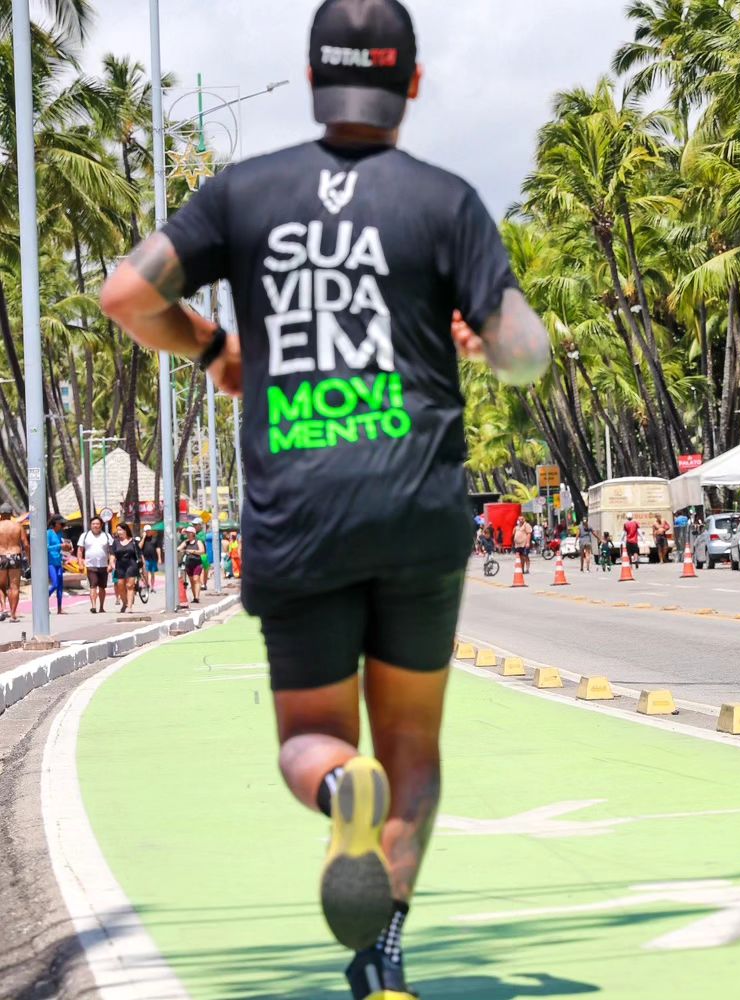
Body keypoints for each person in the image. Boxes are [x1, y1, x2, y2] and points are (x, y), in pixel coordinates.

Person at [98, 2, 550, 996]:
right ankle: (380, 957)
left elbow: (125, 295)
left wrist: (217, 347)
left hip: (298, 516)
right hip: (420, 509)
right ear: (412, 86)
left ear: (312, 82)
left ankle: (340, 791)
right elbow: (524, 353)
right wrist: (488, 335)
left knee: (315, 736)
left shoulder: (243, 195)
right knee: (416, 754)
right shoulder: (445, 202)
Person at [78, 516, 113, 614]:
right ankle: (93, 606)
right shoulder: (85, 536)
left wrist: (111, 563)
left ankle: (101, 607)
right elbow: (80, 550)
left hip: (103, 565)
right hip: (90, 565)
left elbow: (111, 551)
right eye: (93, 524)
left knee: (102, 587)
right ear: (90, 525)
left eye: (97, 524)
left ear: (101, 525)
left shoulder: (106, 536)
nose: (95, 526)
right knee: (93, 585)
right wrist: (80, 562)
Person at [0, 503, 28, 623]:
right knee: (14, 586)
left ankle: (3, 608)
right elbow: (25, 544)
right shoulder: (17, 526)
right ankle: (13, 615)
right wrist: (30, 558)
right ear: (11, 514)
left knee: (0, 585)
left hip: (1, 556)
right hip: (15, 556)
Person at [112, 523, 143, 613]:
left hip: (131, 564)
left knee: (130, 586)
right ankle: (125, 602)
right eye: (118, 530)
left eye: (121, 530)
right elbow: (112, 555)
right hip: (120, 565)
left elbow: (139, 554)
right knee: (120, 585)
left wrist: (142, 567)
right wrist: (112, 564)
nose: (119, 532)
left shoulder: (133, 541)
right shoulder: (116, 542)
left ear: (126, 530)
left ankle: (129, 606)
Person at [47, 515, 71, 615]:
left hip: (59, 562)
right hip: (50, 562)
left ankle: (59, 608)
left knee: (60, 586)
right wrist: (59, 545)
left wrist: (67, 548)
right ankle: (44, 601)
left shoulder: (60, 533)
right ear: (55, 523)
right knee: (55, 584)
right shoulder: (48, 533)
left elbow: (62, 548)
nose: (62, 526)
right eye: (61, 524)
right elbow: (47, 547)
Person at [179, 526, 206, 603]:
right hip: (188, 564)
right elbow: (179, 548)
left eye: (188, 533)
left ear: (193, 534)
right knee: (192, 581)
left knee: (196, 579)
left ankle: (197, 597)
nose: (187, 534)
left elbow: (202, 551)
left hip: (197, 563)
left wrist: (191, 551)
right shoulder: (186, 542)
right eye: (186, 533)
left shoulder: (198, 542)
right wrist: (180, 550)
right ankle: (195, 597)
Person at [141, 525, 163, 593]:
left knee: (152, 573)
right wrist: (143, 537)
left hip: (153, 558)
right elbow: (139, 547)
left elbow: (158, 548)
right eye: (146, 531)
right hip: (145, 559)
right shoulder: (142, 539)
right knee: (145, 573)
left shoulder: (154, 539)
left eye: (149, 531)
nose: (148, 532)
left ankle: (152, 587)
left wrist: (159, 558)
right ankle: (146, 585)